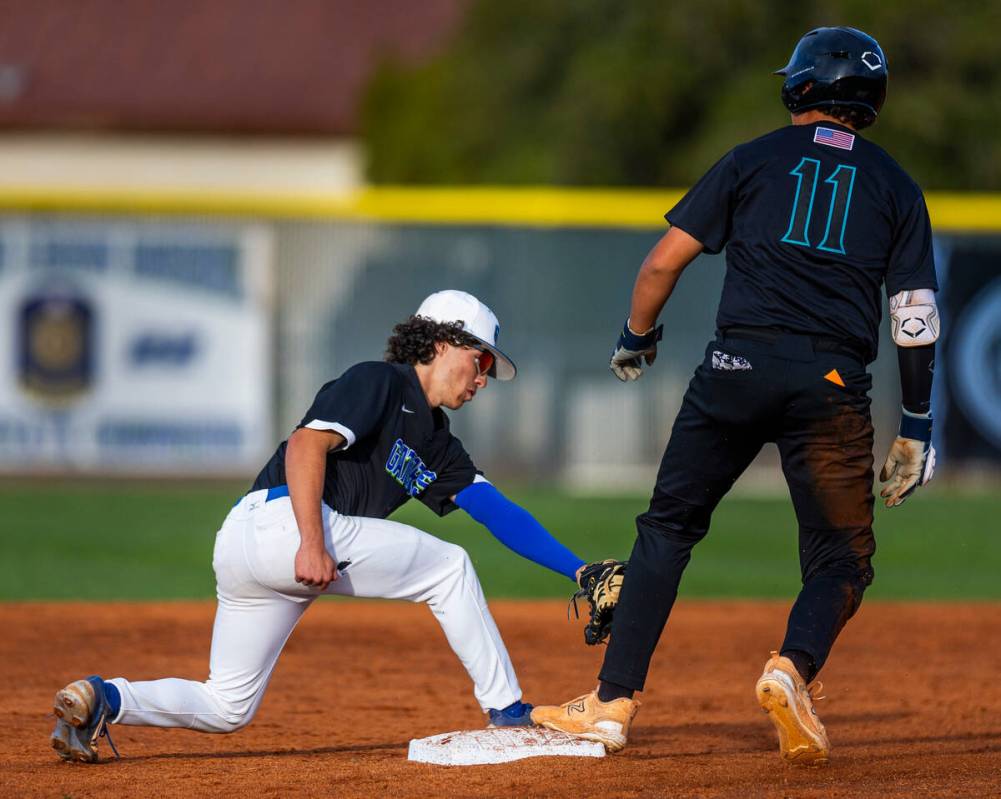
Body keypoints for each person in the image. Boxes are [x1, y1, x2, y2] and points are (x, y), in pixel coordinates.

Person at [531, 27, 939, 765]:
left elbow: (662, 263)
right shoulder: (896, 186)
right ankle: (789, 667)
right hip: (831, 387)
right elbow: (913, 316)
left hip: (733, 368)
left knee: (667, 530)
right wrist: (915, 422)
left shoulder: (752, 158)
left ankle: (612, 702)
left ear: (801, 87)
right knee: (839, 559)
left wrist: (636, 335)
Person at [51, 289, 589, 763]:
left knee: (227, 705)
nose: (484, 379)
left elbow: (497, 511)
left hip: (250, 546)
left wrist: (581, 570)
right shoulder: (380, 380)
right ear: (443, 343)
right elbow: (308, 443)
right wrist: (311, 542)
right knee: (449, 567)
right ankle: (508, 711)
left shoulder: (439, 444)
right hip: (289, 526)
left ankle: (103, 698)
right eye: (480, 360)